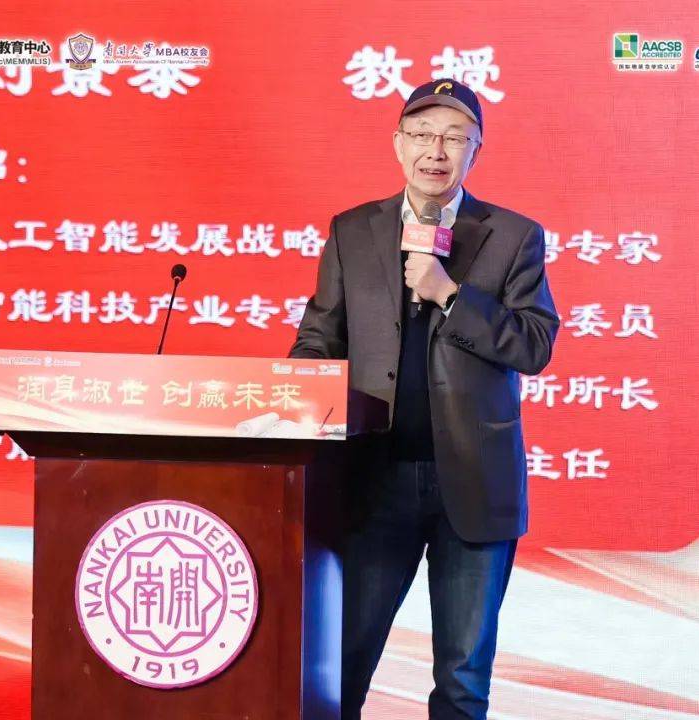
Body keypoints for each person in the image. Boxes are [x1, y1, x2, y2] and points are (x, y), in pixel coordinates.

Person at [289, 78, 559, 719]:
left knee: (463, 680)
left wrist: (451, 295)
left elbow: (534, 344)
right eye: (422, 135)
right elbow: (318, 339)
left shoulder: (513, 236)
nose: (436, 151)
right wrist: (299, 397)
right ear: (398, 144)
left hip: (474, 483)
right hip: (371, 481)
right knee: (338, 666)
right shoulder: (354, 230)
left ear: (476, 151)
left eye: (454, 138)